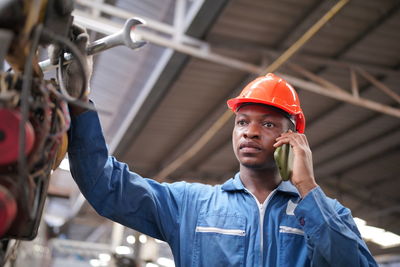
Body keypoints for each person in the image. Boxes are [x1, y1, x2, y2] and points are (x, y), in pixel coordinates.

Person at [57, 27, 378, 267]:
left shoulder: (328, 215)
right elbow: (106, 187)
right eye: (242, 122)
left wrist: (307, 188)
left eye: (267, 124)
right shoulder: (190, 205)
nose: (250, 133)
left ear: (293, 140)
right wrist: (80, 101)